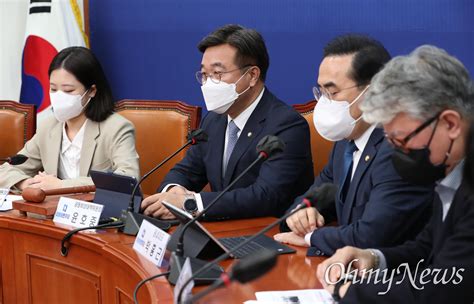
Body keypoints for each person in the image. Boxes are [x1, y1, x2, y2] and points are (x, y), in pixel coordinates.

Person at [316, 45, 474, 303]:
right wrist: (373, 258)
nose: (398, 153)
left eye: (402, 140)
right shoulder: (449, 168)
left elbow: (445, 288)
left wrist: (350, 292)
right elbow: (427, 248)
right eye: (389, 140)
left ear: (450, 124)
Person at [274, 34, 434, 256]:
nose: (324, 102)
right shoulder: (344, 144)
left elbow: (371, 236)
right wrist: (301, 214)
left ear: (373, 91)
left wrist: (311, 237)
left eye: (332, 92)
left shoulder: (399, 150)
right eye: (321, 91)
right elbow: (310, 198)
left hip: (402, 279)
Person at [141, 24, 313, 220]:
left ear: (252, 75)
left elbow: (266, 196)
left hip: (266, 234)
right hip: (219, 230)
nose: (208, 83)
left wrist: (191, 204)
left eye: (217, 73)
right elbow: (186, 171)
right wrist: (174, 191)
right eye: (204, 75)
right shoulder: (214, 120)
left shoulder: (286, 125)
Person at [0, 47, 140, 190]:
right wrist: (24, 183)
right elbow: (7, 170)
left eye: (68, 90)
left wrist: (62, 185)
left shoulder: (116, 127)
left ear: (92, 91)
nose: (59, 96)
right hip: (52, 210)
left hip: (98, 210)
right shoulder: (48, 127)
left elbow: (127, 178)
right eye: (53, 89)